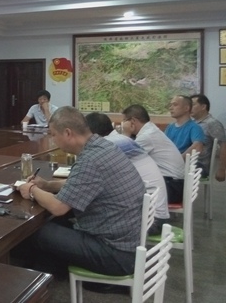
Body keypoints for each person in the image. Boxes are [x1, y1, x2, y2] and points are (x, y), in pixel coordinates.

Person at [17, 106, 144, 284]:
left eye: (53, 134)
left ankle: (33, 284)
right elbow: (82, 184)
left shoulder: (90, 160)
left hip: (116, 254)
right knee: (57, 224)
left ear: (67, 133)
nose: (52, 139)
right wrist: (46, 185)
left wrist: (31, 189)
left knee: (38, 231)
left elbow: (58, 207)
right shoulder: (103, 146)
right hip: (128, 242)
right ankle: (50, 273)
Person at [85, 112, 170, 235]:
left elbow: (90, 180)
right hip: (155, 214)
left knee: (89, 215)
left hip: (151, 221)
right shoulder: (122, 139)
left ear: (91, 133)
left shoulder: (108, 146)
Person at [121, 104, 185, 203]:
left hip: (171, 187)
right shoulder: (150, 130)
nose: (123, 124)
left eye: (125, 120)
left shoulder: (147, 136)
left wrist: (126, 134)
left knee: (121, 191)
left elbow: (121, 158)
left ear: (132, 121)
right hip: (173, 184)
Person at [191, 94, 226, 178]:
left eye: (193, 105)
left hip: (200, 165)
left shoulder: (212, 123)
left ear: (203, 107)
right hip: (188, 161)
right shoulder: (192, 123)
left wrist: (222, 169)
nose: (189, 108)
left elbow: (223, 145)